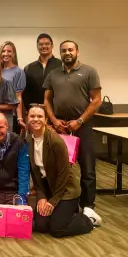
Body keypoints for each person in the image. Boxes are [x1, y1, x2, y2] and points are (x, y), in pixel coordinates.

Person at [43, 40, 102, 224]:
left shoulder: (89, 72)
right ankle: (64, 201)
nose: (67, 53)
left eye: (70, 50)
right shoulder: (53, 74)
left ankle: (88, 206)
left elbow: (96, 100)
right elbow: (46, 100)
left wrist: (80, 121)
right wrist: (53, 121)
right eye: (64, 51)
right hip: (60, 128)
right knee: (61, 167)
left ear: (77, 51)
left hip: (82, 127)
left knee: (87, 167)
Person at [26, 104, 96, 236]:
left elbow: (64, 175)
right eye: (32, 116)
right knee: (41, 225)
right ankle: (66, 213)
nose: (36, 119)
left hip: (66, 189)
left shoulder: (55, 141)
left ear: (46, 120)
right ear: (27, 118)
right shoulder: (28, 139)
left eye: (40, 116)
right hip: (49, 189)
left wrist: (52, 202)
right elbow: (35, 174)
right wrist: (41, 197)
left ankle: (88, 219)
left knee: (57, 229)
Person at [22, 33, 62, 111]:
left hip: (57, 112)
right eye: (41, 44)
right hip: (35, 112)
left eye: (47, 44)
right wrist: (27, 111)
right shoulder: (28, 68)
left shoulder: (61, 65)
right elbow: (25, 93)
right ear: (37, 46)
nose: (44, 46)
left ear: (52, 45)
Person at [0, 41, 26, 132]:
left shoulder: (19, 71)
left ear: (14, 54)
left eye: (9, 51)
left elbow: (18, 96)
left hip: (10, 114)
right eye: (3, 51)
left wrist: (20, 118)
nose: (6, 54)